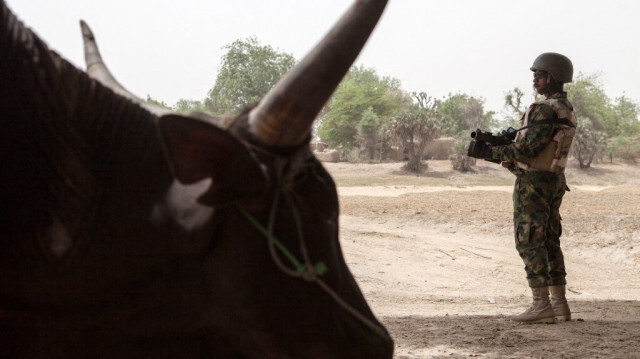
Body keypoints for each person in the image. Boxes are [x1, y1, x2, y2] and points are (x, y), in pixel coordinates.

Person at [471, 52, 577, 323]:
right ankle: (559, 305)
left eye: (539, 75)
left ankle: (541, 306)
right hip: (554, 181)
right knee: (550, 240)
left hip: (534, 184)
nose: (535, 79)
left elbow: (528, 150)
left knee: (529, 240)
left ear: (552, 77)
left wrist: (491, 152)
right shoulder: (566, 109)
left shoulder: (544, 109)